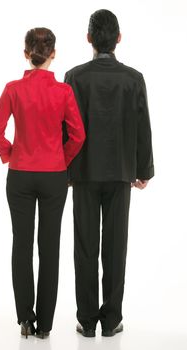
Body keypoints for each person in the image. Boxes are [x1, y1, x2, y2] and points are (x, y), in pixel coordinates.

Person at [0, 27, 85, 339]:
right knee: (49, 248)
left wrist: (10, 154)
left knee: (21, 244)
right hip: (54, 175)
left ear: (26, 54)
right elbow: (79, 135)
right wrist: (62, 158)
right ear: (53, 54)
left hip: (20, 174)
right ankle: (45, 324)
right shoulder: (63, 92)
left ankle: (24, 319)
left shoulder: (13, 89)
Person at [64, 9, 154, 337]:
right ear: (118, 38)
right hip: (120, 174)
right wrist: (144, 169)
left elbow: (66, 129)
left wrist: (66, 169)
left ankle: (86, 320)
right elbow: (143, 127)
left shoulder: (74, 77)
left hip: (84, 173)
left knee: (85, 246)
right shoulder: (134, 79)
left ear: (89, 38)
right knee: (116, 247)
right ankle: (111, 319)